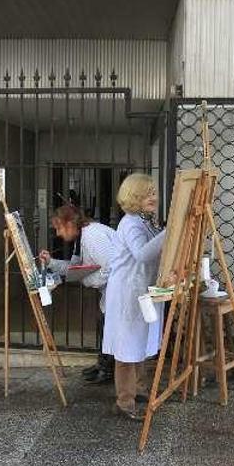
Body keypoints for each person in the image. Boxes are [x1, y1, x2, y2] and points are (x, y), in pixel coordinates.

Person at [104, 174, 166, 420]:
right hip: (128, 293)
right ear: (135, 197)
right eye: (147, 193)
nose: (154, 197)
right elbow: (142, 254)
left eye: (154, 192)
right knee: (127, 348)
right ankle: (124, 401)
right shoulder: (130, 223)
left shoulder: (144, 221)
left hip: (139, 290)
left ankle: (138, 390)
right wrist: (168, 231)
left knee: (140, 342)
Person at [39, 204, 117, 383]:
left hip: (119, 288)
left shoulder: (92, 236)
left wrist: (88, 281)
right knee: (104, 324)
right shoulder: (81, 238)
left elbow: (112, 267)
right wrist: (51, 262)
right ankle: (104, 365)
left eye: (59, 228)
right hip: (110, 290)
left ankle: (108, 371)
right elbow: (74, 268)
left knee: (108, 327)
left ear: (69, 223)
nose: (58, 233)